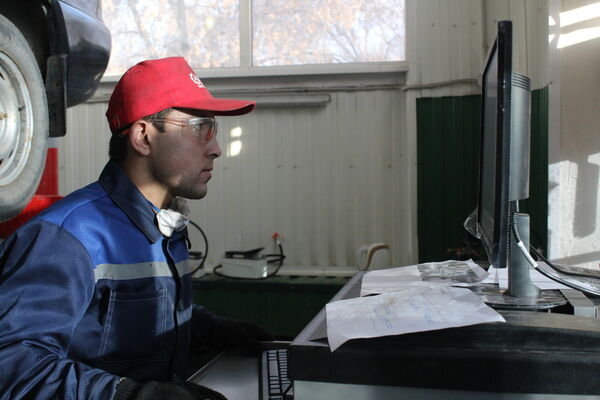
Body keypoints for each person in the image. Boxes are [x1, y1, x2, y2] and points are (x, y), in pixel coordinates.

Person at [0, 57, 273, 400]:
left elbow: (141, 317)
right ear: (143, 137)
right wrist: (132, 395)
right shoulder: (65, 239)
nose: (216, 149)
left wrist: (212, 329)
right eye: (200, 128)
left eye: (213, 131)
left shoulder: (167, 225)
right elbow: (12, 365)